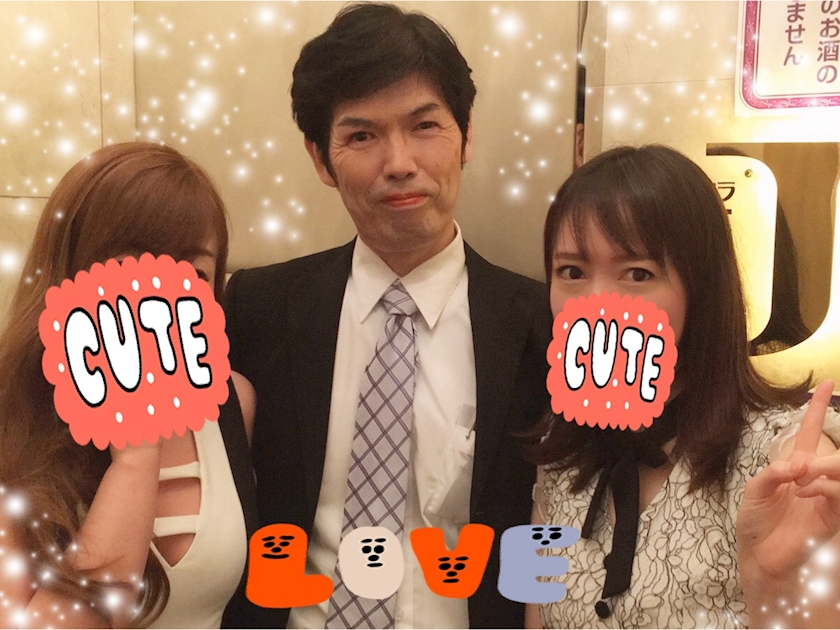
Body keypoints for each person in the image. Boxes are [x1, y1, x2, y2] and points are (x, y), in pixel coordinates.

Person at [223, 3, 551, 628]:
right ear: (320, 158)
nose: (399, 162)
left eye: (425, 126)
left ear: (466, 135)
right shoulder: (257, 309)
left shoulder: (543, 328)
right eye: (362, 136)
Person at [526, 144, 840, 628]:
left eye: (638, 273)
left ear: (700, 288)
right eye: (572, 272)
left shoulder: (783, 462)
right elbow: (536, 614)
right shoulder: (559, 448)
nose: (596, 302)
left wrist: (774, 586)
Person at [0, 142, 258, 629]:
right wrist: (136, 458)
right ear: (68, 270)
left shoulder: (231, 402)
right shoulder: (13, 421)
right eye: (130, 269)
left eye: (193, 274)